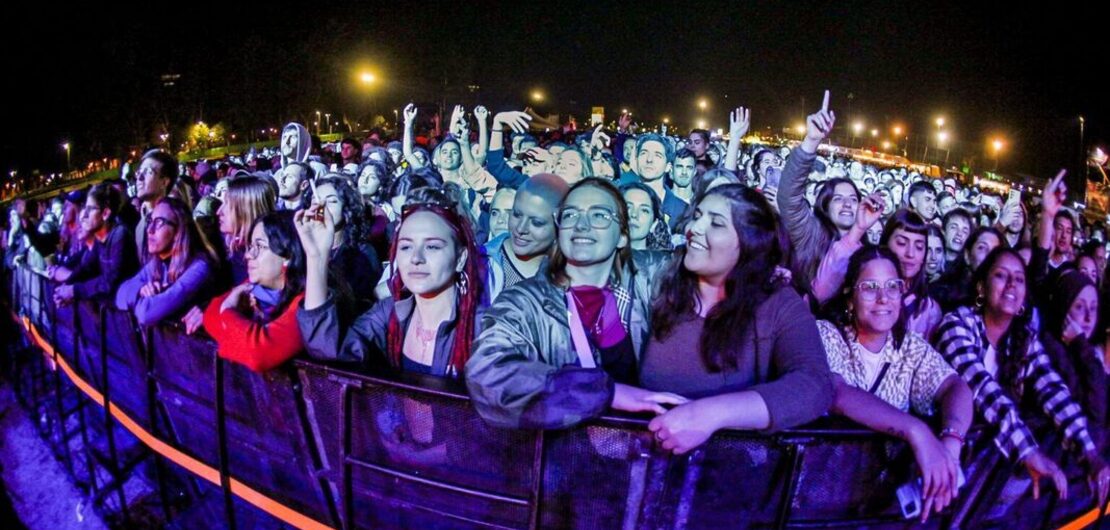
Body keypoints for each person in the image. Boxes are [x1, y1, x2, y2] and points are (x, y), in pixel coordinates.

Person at [466, 178, 678, 430]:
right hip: (567, 460)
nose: (581, 225)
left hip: (645, 456)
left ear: (622, 235)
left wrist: (716, 412)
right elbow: (487, 372)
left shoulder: (649, 278)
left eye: (599, 215)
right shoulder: (526, 303)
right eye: (570, 215)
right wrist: (605, 393)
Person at [640, 183, 833, 454]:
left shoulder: (777, 304)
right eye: (697, 216)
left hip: (727, 479)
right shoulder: (654, 281)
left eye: (716, 223)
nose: (693, 229)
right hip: (643, 469)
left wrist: (710, 415)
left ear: (748, 243)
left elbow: (814, 385)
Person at [937, 247, 1110, 503]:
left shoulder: (1023, 339)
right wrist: (1029, 452)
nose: (1011, 284)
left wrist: (1090, 455)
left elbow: (1053, 391)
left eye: (1019, 279)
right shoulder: (958, 325)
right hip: (940, 460)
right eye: (1001, 276)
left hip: (980, 473)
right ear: (981, 288)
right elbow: (983, 388)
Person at [818, 247, 973, 521]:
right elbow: (839, 394)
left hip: (878, 505)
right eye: (869, 288)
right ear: (850, 297)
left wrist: (950, 443)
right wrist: (917, 431)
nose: (883, 298)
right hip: (821, 497)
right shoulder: (828, 334)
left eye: (893, 287)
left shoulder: (910, 347)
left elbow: (955, 386)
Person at [298, 199, 484, 377]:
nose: (416, 257)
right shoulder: (388, 313)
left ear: (460, 259)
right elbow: (327, 348)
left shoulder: (484, 329)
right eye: (405, 247)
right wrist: (317, 257)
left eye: (432, 247)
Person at [203, 211, 306, 372]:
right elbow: (210, 314)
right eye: (251, 246)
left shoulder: (307, 300)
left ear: (288, 255)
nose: (248, 255)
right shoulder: (253, 286)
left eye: (260, 246)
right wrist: (240, 335)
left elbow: (259, 353)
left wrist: (229, 312)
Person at [115, 197, 220, 327]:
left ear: (178, 232)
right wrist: (140, 291)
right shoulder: (158, 263)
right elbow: (120, 295)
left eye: (159, 222)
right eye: (150, 221)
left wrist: (138, 302)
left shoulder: (199, 267)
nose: (150, 230)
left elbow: (145, 314)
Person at [1040, 270, 1108, 454]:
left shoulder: (1083, 351)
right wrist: (1080, 345)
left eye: (1093, 308)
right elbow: (1095, 412)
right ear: (1063, 306)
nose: (1088, 317)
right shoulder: (1049, 349)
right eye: (1079, 306)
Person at [484, 174, 569, 301]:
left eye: (536, 222)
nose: (520, 229)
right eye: (517, 215)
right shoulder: (479, 262)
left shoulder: (571, 278)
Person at [51, 183, 138, 305]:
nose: (84, 215)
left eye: (90, 209)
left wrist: (74, 291)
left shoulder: (120, 235)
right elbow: (86, 268)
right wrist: (64, 289)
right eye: (85, 208)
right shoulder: (99, 239)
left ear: (105, 214)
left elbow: (110, 281)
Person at [880, 210, 943, 338]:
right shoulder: (868, 292)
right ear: (885, 242)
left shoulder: (929, 310)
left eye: (919, 247)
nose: (910, 253)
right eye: (902, 243)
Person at [216, 176, 275, 285]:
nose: (219, 212)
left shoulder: (263, 261)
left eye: (227, 205)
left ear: (246, 211)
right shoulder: (229, 248)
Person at [620, 182, 672, 251]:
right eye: (627, 207)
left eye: (644, 210)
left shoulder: (664, 260)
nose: (634, 214)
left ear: (654, 224)